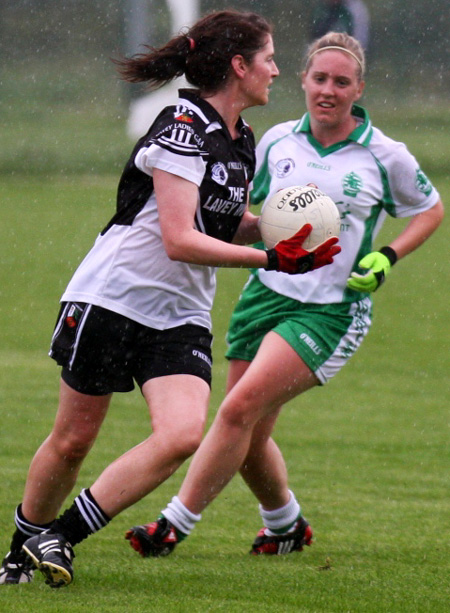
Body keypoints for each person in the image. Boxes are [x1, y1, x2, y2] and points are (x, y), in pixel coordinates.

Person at [0, 10, 341, 588]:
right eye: (268, 58)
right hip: (115, 298)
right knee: (73, 439)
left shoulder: (241, 139)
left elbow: (220, 223)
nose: (277, 70)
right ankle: (19, 551)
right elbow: (180, 239)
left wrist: (279, 229)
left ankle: (61, 537)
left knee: (183, 433)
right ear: (239, 66)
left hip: (179, 313)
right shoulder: (183, 124)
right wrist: (272, 260)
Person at [126, 31, 444, 559]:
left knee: (236, 411)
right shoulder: (275, 142)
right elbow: (242, 211)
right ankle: (285, 525)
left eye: (342, 82)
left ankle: (172, 523)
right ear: (303, 80)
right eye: (320, 78)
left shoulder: (385, 155)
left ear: (358, 88)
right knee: (248, 438)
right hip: (264, 295)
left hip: (329, 309)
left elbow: (430, 209)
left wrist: (386, 256)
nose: (328, 90)